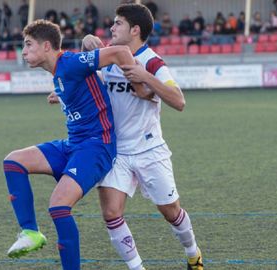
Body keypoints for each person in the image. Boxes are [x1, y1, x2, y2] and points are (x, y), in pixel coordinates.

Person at [3, 19, 146, 270]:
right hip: (73, 145)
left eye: (28, 45)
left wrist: (139, 85)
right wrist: (61, 95)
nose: (23, 51)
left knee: (59, 205)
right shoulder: (59, 73)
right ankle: (31, 233)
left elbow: (121, 52)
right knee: (14, 161)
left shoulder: (69, 63)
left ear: (47, 46)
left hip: (96, 147)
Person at [81, 3, 203, 270]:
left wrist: (145, 76)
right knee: (111, 213)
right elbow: (84, 74)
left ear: (135, 30)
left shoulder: (153, 62)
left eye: (118, 23)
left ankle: (193, 253)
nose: (112, 27)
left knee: (171, 212)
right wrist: (87, 46)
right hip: (116, 151)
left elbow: (179, 101)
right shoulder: (109, 56)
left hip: (150, 150)